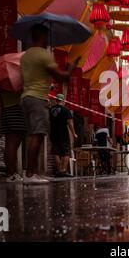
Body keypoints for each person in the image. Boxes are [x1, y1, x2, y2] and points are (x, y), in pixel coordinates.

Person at [20, 24, 80, 184]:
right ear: (41, 36)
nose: (48, 40)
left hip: (26, 97)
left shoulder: (25, 55)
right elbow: (62, 77)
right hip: (38, 98)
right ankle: (30, 174)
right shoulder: (43, 55)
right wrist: (72, 67)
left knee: (33, 134)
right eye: (47, 36)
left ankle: (32, 172)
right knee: (37, 135)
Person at [0, 92, 27, 182]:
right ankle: (12, 174)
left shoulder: (3, 84)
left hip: (6, 111)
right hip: (16, 111)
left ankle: (10, 173)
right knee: (13, 146)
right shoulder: (16, 85)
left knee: (9, 145)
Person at [50, 93, 77, 177]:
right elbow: (70, 123)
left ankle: (58, 171)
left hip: (53, 133)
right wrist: (74, 133)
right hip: (63, 133)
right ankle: (63, 170)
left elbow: (48, 121)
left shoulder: (51, 110)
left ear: (56, 100)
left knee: (56, 152)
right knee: (66, 152)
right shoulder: (65, 110)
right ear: (63, 100)